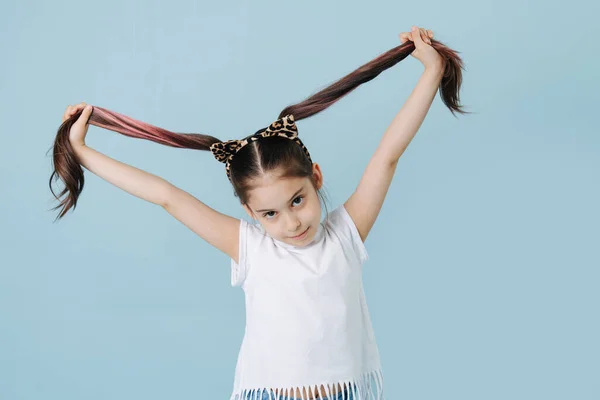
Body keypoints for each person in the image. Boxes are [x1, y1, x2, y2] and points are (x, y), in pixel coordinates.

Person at [49, 26, 467, 400]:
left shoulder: (346, 233)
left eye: (297, 201)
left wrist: (431, 72)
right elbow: (166, 195)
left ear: (316, 178)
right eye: (269, 213)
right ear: (249, 212)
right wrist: (84, 153)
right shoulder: (250, 248)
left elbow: (387, 156)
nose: (290, 223)